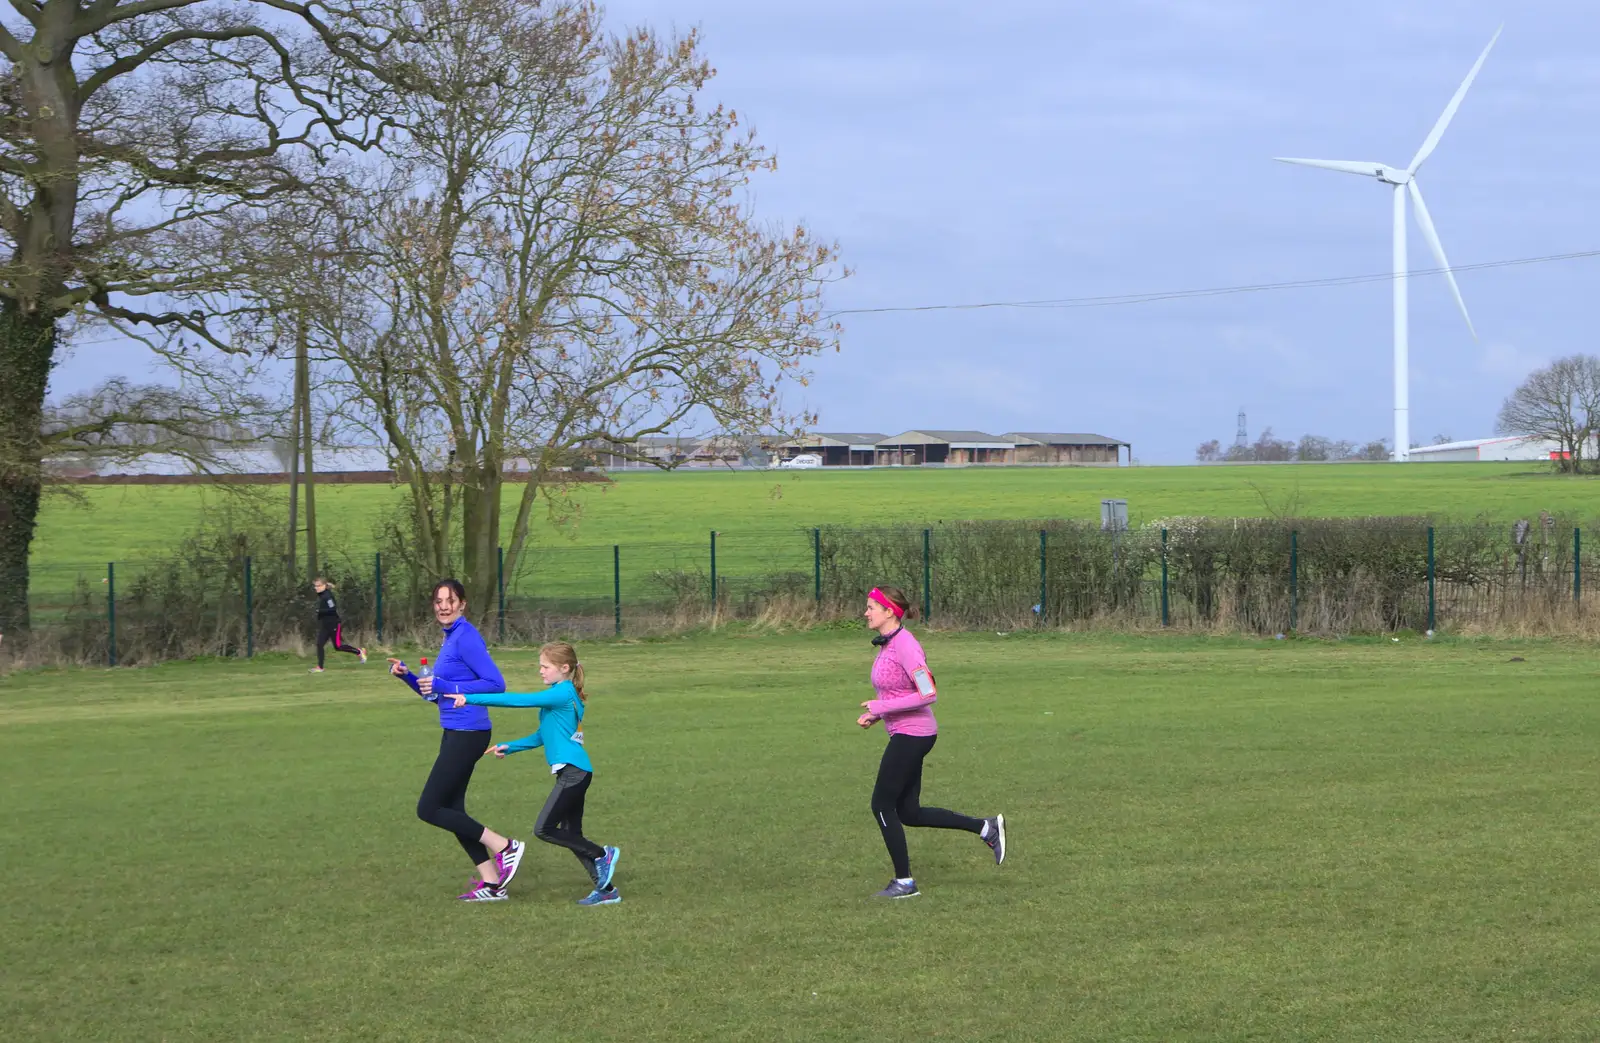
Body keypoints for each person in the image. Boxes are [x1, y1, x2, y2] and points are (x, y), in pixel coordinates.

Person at [446, 641, 622, 906]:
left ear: (564, 668)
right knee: (572, 835)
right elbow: (544, 735)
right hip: (576, 772)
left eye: (545, 666)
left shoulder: (561, 693)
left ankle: (602, 854)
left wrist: (469, 698)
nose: (540, 671)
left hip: (574, 773)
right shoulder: (564, 694)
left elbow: (519, 700)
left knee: (545, 829)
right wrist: (512, 746)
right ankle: (607, 890)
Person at [857, 585, 1005, 899]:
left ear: (889, 612)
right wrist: (879, 715)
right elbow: (898, 693)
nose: (866, 612)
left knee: (881, 805)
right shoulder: (889, 645)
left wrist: (881, 708)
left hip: (915, 734)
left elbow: (928, 693)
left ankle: (904, 882)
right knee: (908, 812)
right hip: (906, 732)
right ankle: (986, 827)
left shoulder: (906, 645)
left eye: (871, 607)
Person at [389, 578, 526, 902]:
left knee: (429, 807)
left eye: (450, 600)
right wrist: (409, 677)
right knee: (452, 808)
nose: (443, 606)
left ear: (462, 604)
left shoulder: (466, 637)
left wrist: (444, 684)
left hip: (470, 732)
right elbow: (438, 694)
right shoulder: (449, 639)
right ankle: (492, 883)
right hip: (454, 729)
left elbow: (496, 685)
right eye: (438, 601)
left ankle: (505, 846)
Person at [311, 577, 365, 673]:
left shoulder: (328, 596)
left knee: (338, 646)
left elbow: (333, 609)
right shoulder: (322, 595)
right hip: (325, 625)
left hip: (334, 624)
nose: (316, 588)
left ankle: (359, 652)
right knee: (319, 644)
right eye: (315, 586)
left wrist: (320, 611)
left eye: (318, 586)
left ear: (324, 586)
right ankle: (320, 667)